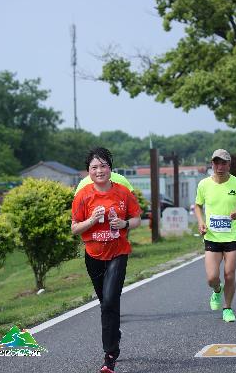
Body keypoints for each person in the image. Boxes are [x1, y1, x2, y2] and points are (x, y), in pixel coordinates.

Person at [71, 147, 141, 373]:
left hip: (118, 252)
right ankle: (115, 334)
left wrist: (124, 224)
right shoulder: (83, 195)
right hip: (93, 256)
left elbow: (137, 218)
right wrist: (92, 220)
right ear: (88, 171)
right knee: (105, 303)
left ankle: (109, 355)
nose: (99, 171)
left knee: (110, 301)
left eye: (103, 166)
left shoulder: (122, 192)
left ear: (110, 168)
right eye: (94, 167)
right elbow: (75, 228)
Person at [195, 149, 236, 323]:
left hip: (233, 236)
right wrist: (201, 222)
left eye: (224, 163)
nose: (220, 167)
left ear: (229, 164)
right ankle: (216, 290)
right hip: (212, 236)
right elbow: (198, 206)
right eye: (216, 163)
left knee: (229, 274)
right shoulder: (204, 184)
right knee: (212, 277)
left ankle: (227, 308)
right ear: (212, 164)